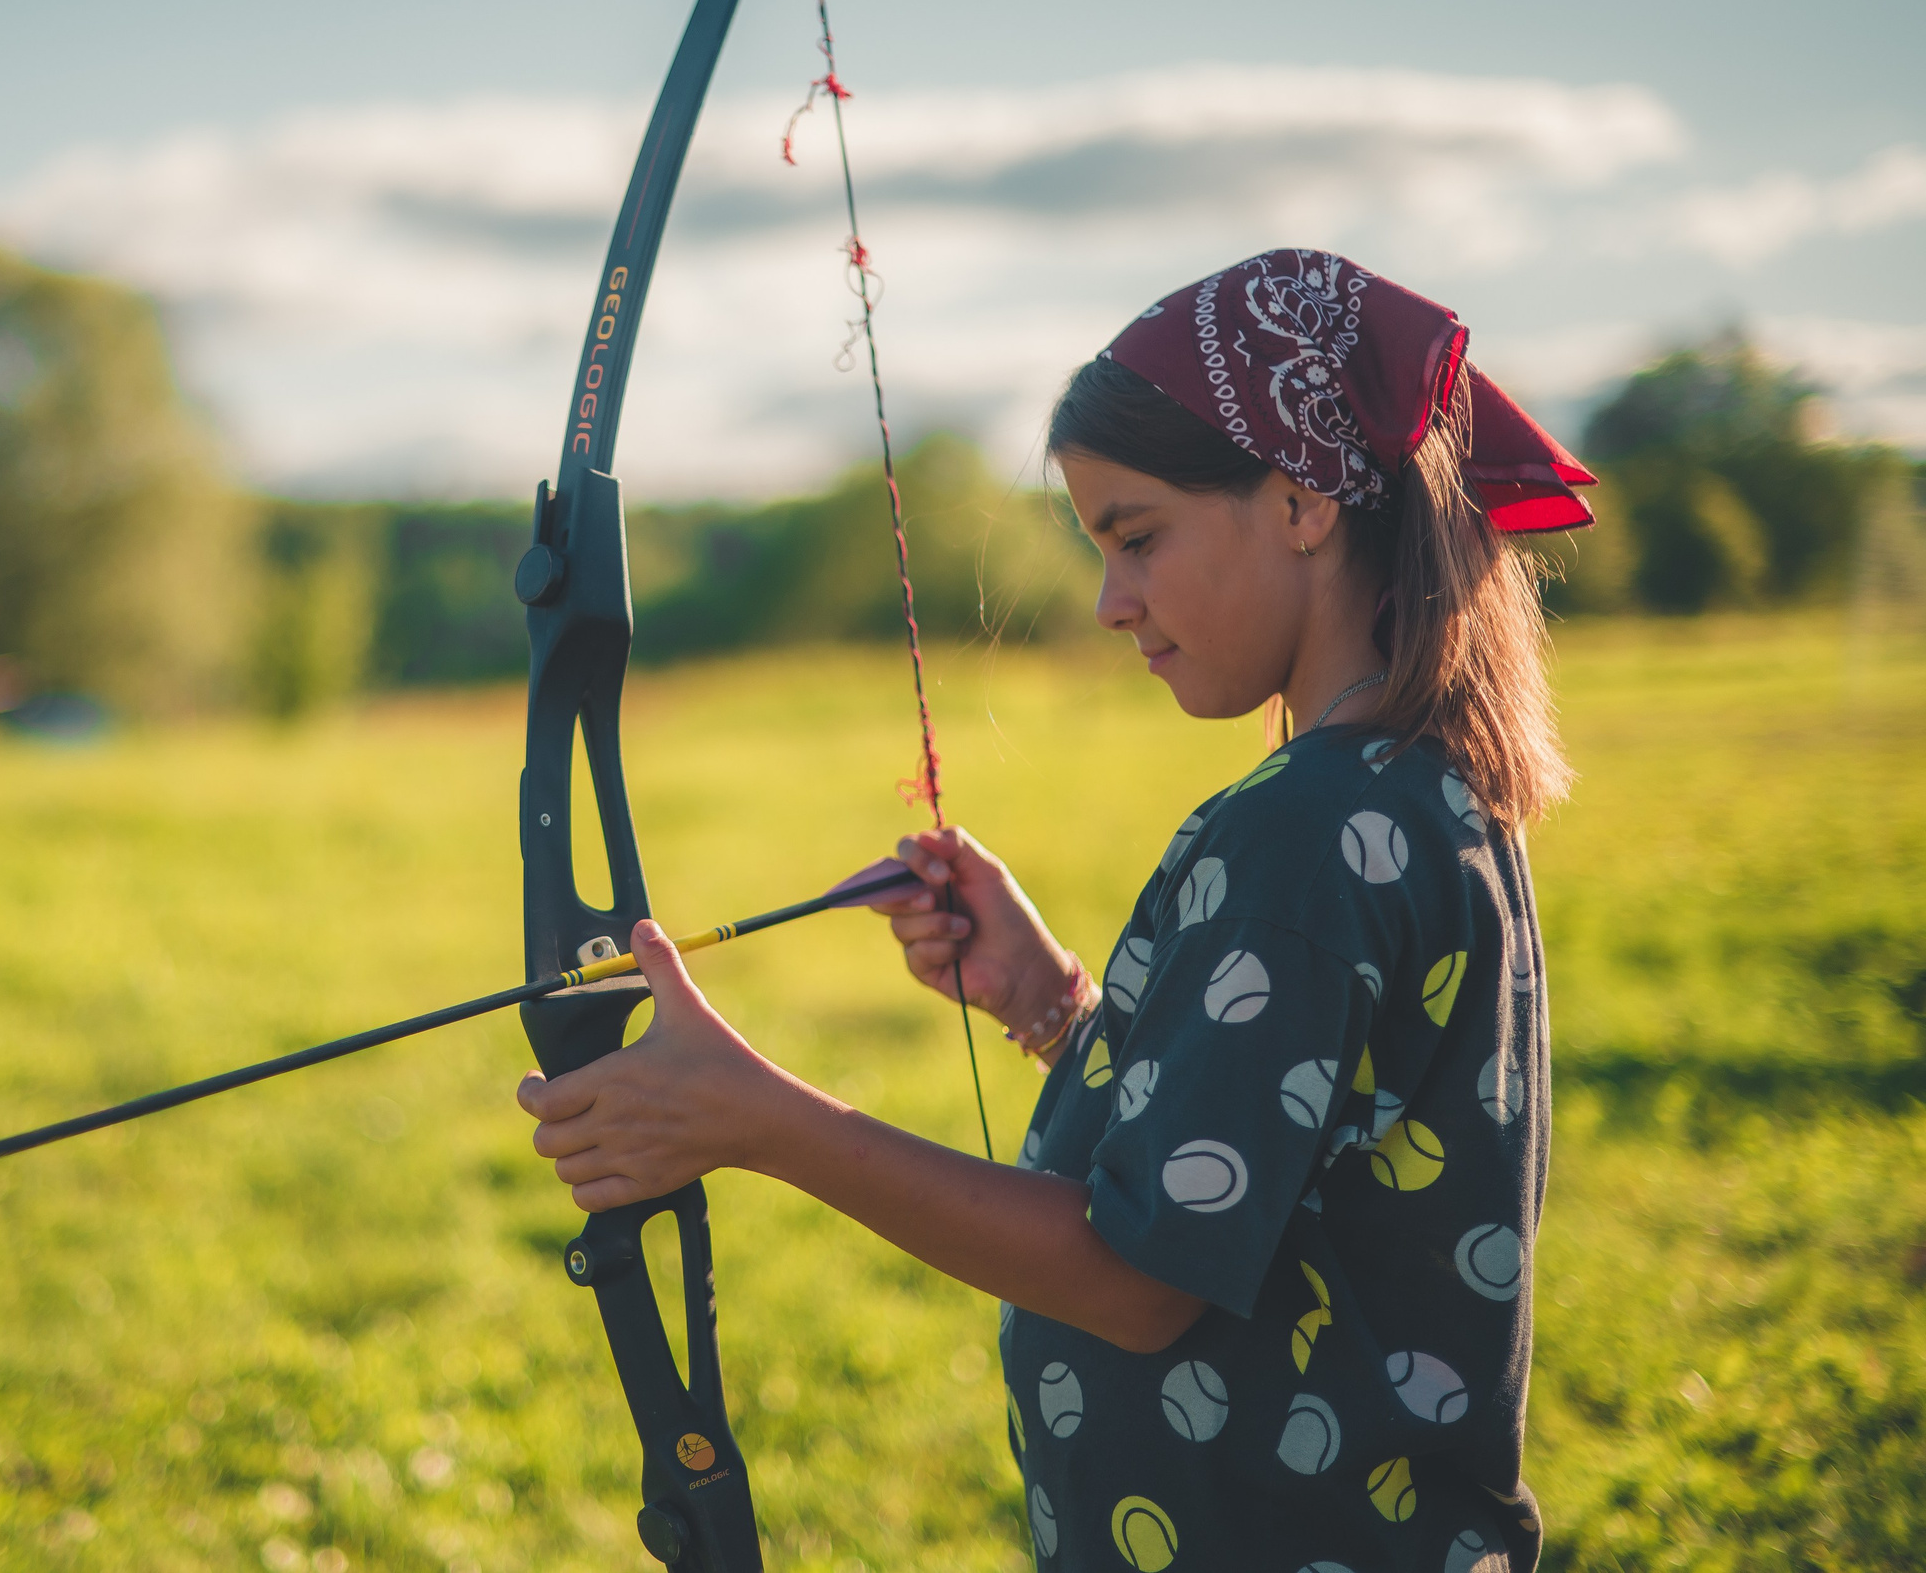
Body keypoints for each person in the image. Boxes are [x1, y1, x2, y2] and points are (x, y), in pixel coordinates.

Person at [517, 248, 1593, 1573]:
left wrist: (759, 1118)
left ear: (1305, 501)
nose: (1111, 601)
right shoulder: (1406, 793)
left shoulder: (1310, 830)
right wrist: (1048, 1003)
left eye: (1138, 538)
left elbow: (1139, 1282)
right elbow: (1270, 1159)